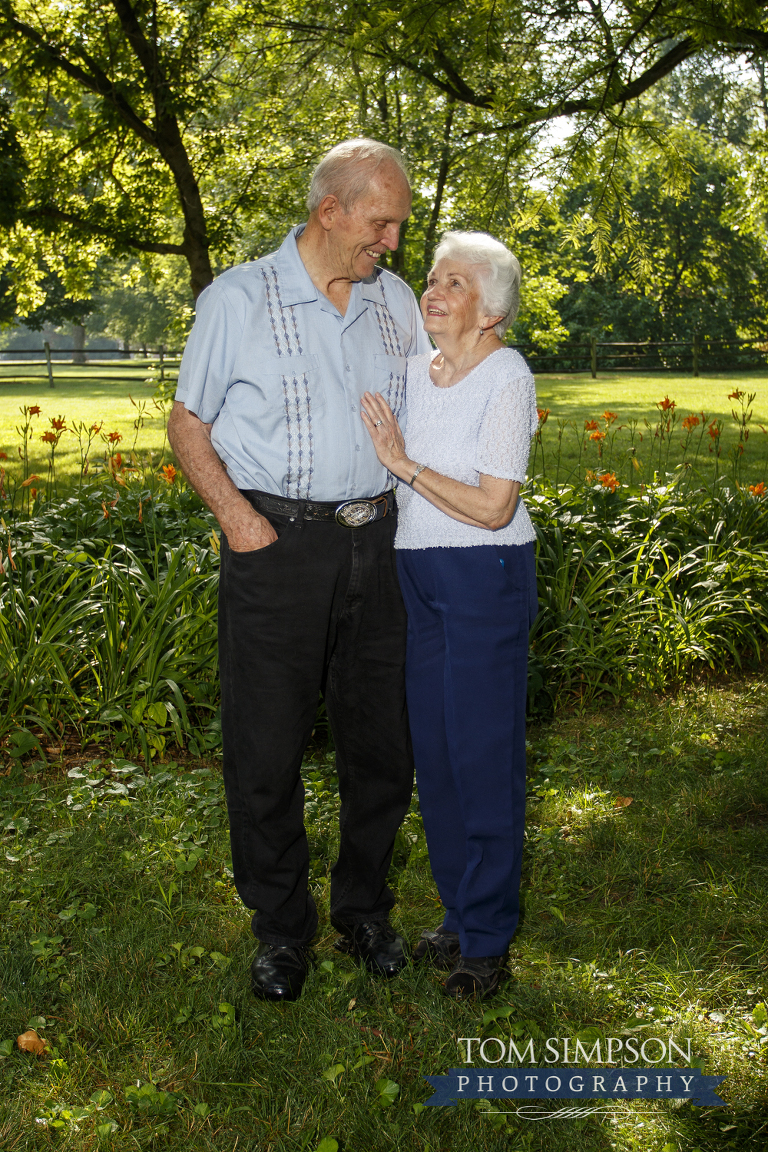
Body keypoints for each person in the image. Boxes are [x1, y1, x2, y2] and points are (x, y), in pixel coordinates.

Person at [168, 138, 431, 1002]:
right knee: (266, 749)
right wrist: (241, 523)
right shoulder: (238, 299)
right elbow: (187, 424)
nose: (393, 243)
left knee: (382, 747)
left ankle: (363, 911)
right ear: (331, 211)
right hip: (277, 548)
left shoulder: (395, 302)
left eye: (397, 225)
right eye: (381, 223)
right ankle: (282, 930)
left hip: (382, 543)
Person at [361, 230, 538, 999]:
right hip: (418, 571)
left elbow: (495, 506)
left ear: (491, 310)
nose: (432, 292)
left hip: (484, 574)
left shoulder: (508, 376)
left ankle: (490, 939)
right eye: (433, 279)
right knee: (433, 751)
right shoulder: (413, 371)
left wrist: (403, 464)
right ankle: (460, 914)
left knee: (481, 752)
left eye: (454, 284)